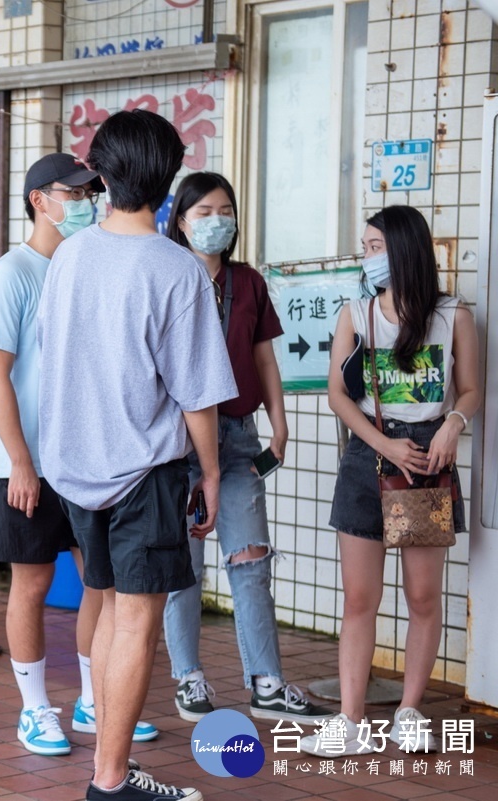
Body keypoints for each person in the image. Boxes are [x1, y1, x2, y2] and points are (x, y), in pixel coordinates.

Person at [39, 110, 237, 801]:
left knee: (112, 606)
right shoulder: (175, 267)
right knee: (137, 621)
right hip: (143, 470)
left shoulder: (70, 254)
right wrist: (211, 474)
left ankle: (110, 765)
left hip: (75, 466)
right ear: (169, 177)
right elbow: (198, 393)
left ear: (101, 173)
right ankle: (110, 778)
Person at [0, 153, 159, 756]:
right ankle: (33, 710)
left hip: (89, 457)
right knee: (30, 583)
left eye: (92, 192)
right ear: (39, 200)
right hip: (27, 462)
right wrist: (21, 462)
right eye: (74, 192)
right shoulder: (13, 273)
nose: (86, 201)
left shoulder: (89, 265)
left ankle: (92, 699)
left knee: (98, 585)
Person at [300, 205, 479, 757]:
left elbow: (471, 389)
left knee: (423, 596)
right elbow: (337, 395)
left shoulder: (454, 315)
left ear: (405, 249)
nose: (368, 256)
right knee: (360, 598)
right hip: (368, 458)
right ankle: (350, 721)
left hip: (427, 463)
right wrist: (382, 444)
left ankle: (409, 711)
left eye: (376, 246)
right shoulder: (356, 313)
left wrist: (453, 423)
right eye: (366, 247)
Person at [161, 172, 332, 726]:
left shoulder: (248, 282)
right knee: (182, 567)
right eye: (204, 210)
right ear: (181, 220)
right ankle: (188, 678)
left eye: (225, 210)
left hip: (237, 435)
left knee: (251, 559)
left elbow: (264, 359)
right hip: (173, 440)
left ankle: (267, 683)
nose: (217, 221)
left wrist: (279, 425)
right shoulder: (162, 275)